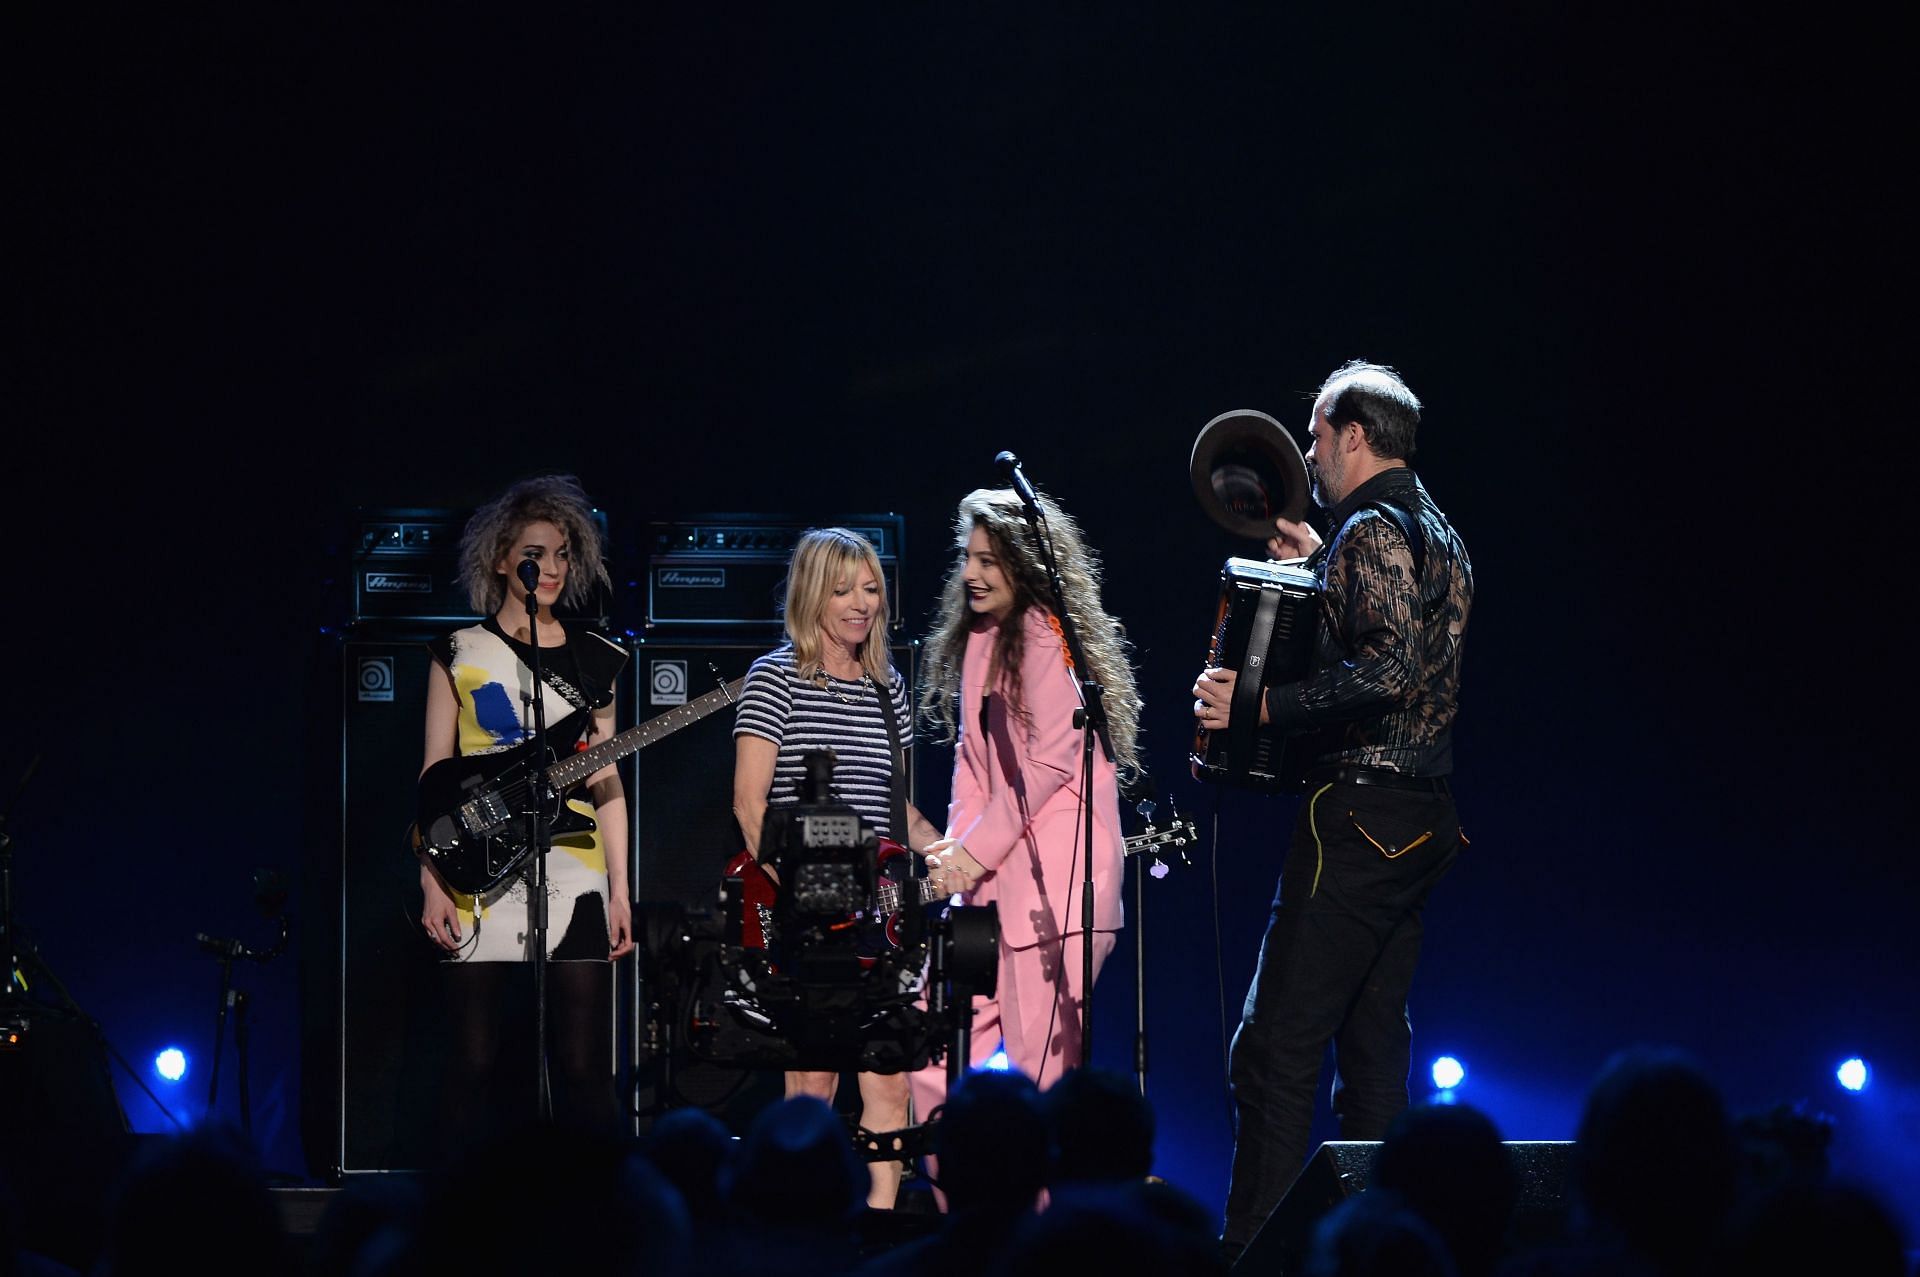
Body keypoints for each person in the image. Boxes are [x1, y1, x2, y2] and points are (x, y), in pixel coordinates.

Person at [1192, 361, 1473, 1261]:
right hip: (1423, 818)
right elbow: (1412, 646)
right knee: (1373, 1063)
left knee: (1272, 1053)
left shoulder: (1371, 530)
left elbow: (1389, 668)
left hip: (1356, 819)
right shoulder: (1441, 533)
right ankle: (1382, 1255)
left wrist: (1260, 706)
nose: (1308, 453)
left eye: (1315, 434)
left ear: (1354, 434)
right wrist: (1319, 563)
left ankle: (1254, 1255)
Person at [911, 487, 1140, 1122]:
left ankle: (1033, 1217)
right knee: (927, 1053)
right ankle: (965, 1207)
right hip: (990, 883)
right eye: (968, 557)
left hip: (1055, 894)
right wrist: (960, 862)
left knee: (1042, 1081)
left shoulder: (1045, 635)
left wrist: (971, 855)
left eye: (988, 561)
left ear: (1027, 564)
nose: (969, 574)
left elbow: (1043, 767)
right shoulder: (982, 636)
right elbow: (971, 764)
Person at [731, 527, 944, 1209]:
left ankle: (879, 1229)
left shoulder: (889, 690)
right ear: (812, 593)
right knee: (814, 1079)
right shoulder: (776, 676)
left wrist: (944, 849)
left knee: (888, 1077)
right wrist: (796, 894)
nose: (861, 603)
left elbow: (897, 804)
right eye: (844, 588)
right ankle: (806, 1227)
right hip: (807, 913)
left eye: (871, 588)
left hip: (882, 914)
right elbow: (748, 801)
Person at [416, 474, 634, 1138]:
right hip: (478, 867)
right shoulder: (457, 651)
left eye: (564, 553)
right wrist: (431, 877)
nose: (554, 568)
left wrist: (621, 886)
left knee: (583, 1064)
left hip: (574, 866)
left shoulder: (594, 657)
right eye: (538, 552)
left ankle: (592, 1224)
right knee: (474, 1063)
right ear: (503, 558)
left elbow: (607, 781)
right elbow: (433, 777)